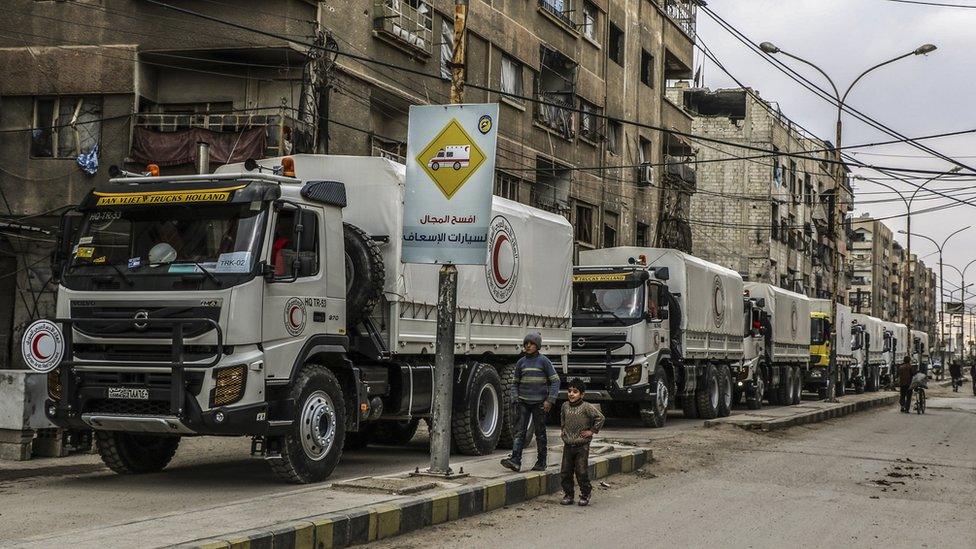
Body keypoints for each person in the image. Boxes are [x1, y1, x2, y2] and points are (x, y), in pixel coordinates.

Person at [501, 332, 559, 473]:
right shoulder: (521, 363)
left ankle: (541, 461)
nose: (528, 346)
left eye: (531, 343)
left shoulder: (544, 361)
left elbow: (555, 381)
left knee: (540, 433)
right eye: (526, 343)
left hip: (540, 404)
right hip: (523, 403)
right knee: (519, 432)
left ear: (537, 346)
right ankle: (515, 460)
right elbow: (515, 383)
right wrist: (515, 397)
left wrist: (549, 400)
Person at [559, 378, 604, 507]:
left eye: (575, 392)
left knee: (581, 471)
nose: (571, 394)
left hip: (582, 445)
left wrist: (592, 431)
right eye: (569, 391)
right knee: (565, 471)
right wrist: (563, 429)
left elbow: (600, 418)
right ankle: (569, 495)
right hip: (568, 444)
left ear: (582, 394)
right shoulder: (565, 406)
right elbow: (562, 417)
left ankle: (585, 494)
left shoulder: (586, 407)